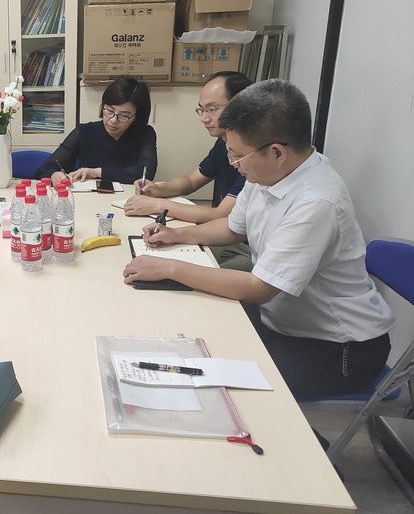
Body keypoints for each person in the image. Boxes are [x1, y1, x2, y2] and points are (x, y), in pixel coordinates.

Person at [122, 79, 394, 400]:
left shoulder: (316, 202)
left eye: (237, 156)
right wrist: (176, 235)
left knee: (218, 385)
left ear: (276, 152)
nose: (232, 163)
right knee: (190, 331)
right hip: (280, 321)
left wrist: (170, 268)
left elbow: (259, 288)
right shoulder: (269, 172)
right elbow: (233, 228)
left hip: (338, 348)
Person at [123, 71, 253, 270]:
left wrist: (157, 205)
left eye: (212, 109)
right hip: (225, 235)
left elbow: (221, 215)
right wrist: (159, 189)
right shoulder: (224, 143)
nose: (204, 118)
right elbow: (191, 181)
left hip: (246, 248)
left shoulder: (253, 155)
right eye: (201, 110)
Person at [34, 77, 156, 186]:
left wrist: (96, 172)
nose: (113, 120)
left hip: (129, 199)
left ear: (136, 117)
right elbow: (45, 169)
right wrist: (54, 175)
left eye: (123, 116)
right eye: (109, 111)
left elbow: (145, 175)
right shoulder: (84, 132)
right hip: (90, 199)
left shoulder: (145, 134)